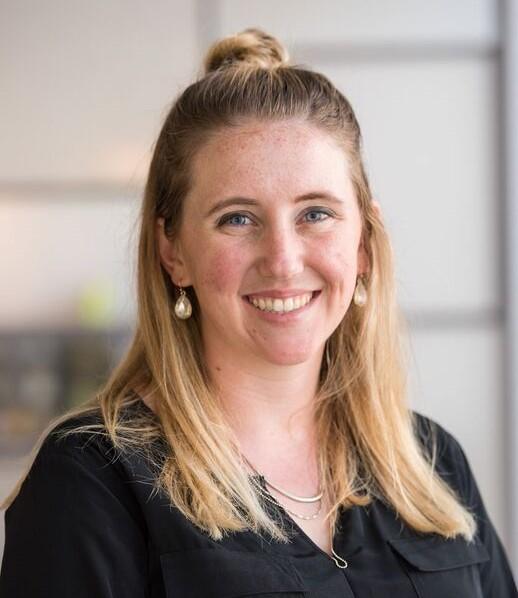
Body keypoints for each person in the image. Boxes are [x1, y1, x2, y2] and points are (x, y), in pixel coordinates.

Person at [1, 27, 516, 598]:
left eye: (316, 213)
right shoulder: (93, 482)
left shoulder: (433, 463)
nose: (283, 260)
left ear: (364, 241)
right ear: (173, 252)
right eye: (237, 219)